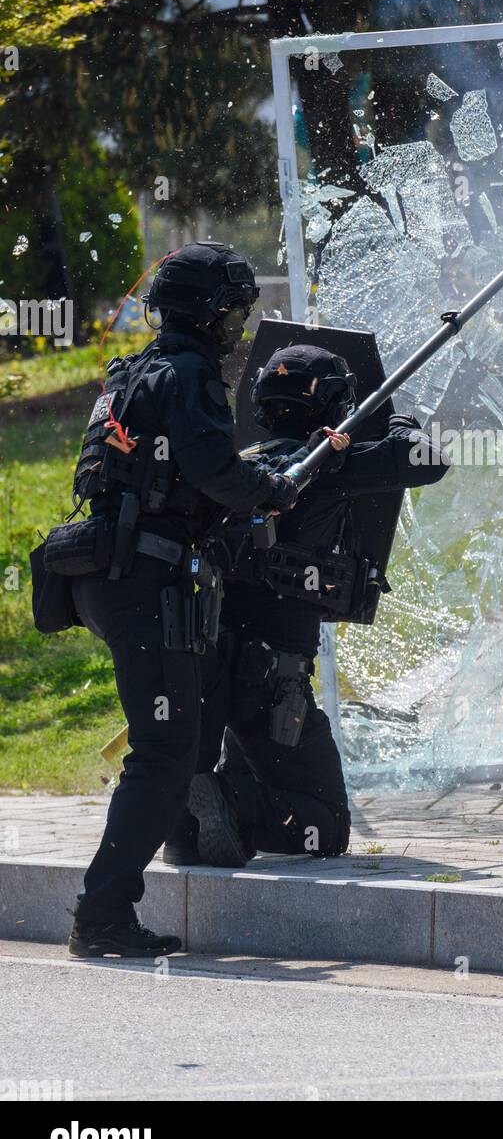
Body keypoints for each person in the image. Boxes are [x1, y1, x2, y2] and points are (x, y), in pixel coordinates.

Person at [65, 243, 298, 959]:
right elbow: (209, 471)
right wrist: (271, 488)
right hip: (146, 583)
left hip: (109, 574)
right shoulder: (192, 374)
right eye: (232, 312)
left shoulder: (129, 371)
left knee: (170, 744)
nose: (236, 327)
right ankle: (101, 917)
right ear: (204, 313)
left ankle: (111, 903)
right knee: (166, 751)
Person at [164, 342, 451, 868]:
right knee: (324, 825)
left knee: (249, 758)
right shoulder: (323, 465)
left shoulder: (239, 468)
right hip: (273, 678)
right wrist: (402, 422)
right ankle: (230, 803)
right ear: (333, 409)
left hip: (210, 666)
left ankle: (188, 822)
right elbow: (428, 460)